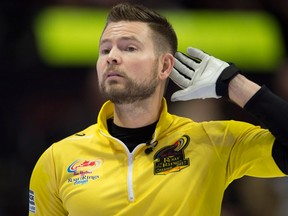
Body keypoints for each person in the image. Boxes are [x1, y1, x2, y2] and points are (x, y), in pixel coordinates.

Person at [28, 2, 288, 216]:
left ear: (165, 67)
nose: (112, 57)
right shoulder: (57, 159)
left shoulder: (211, 143)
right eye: (105, 49)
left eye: (129, 48)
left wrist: (234, 84)